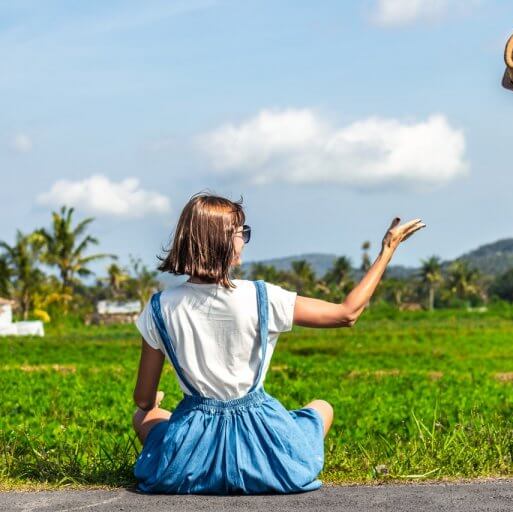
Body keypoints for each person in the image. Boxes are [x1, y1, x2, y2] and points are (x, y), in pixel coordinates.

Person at [131, 192, 425, 494]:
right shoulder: (262, 297)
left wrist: (154, 403)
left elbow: (143, 399)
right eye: (239, 233)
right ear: (221, 240)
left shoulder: (159, 308)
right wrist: (387, 251)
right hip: (266, 455)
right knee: (322, 407)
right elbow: (346, 313)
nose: (243, 240)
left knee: (147, 416)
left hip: (189, 465)